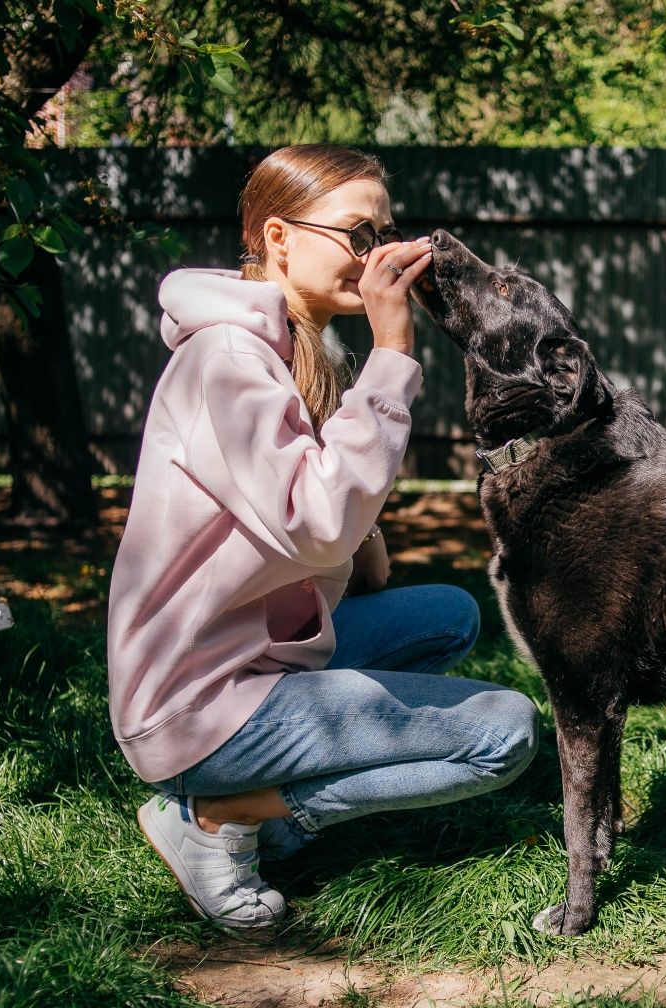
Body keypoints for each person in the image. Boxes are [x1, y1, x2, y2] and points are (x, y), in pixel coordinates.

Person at [106, 144, 539, 929]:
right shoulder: (227, 361)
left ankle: (250, 794)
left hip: (253, 651)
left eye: (384, 231)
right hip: (197, 700)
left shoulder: (295, 351)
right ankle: (223, 815)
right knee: (503, 734)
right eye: (358, 232)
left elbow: (338, 548)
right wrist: (393, 353)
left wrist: (355, 525)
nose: (378, 254)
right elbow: (316, 525)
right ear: (278, 237)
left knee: (449, 615)